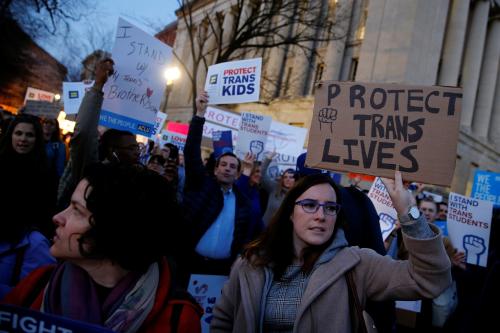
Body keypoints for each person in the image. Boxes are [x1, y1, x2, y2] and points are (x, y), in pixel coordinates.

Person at [211, 172, 452, 332]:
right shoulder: (251, 263)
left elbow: (431, 280)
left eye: (330, 208)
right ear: (290, 213)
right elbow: (223, 321)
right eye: (309, 205)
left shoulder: (358, 265)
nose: (320, 215)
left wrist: (409, 212)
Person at [4, 163, 202, 332]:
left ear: (114, 231)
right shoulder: (36, 285)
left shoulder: (179, 318)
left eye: (77, 211)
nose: (57, 218)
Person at [179, 91, 252, 281]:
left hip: (221, 272)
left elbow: (243, 235)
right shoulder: (201, 186)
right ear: (215, 169)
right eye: (224, 165)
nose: (227, 169)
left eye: (233, 167)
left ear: (238, 175)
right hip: (189, 263)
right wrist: (199, 115)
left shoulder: (242, 203)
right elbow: (191, 152)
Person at [57, 58, 140, 210]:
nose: (137, 152)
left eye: (137, 147)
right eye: (130, 148)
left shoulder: (138, 181)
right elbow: (84, 134)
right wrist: (98, 86)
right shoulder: (93, 172)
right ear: (112, 151)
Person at [0, 114, 57, 238]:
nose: (23, 139)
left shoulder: (45, 172)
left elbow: (45, 213)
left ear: (37, 139)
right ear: (11, 135)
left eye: (29, 135)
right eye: (18, 133)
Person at [260, 151, 296, 226]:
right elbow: (262, 175)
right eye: (285, 177)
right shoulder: (274, 188)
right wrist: (268, 159)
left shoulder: (297, 196)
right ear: (282, 179)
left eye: (291, 177)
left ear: (296, 180)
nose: (288, 179)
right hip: (264, 229)